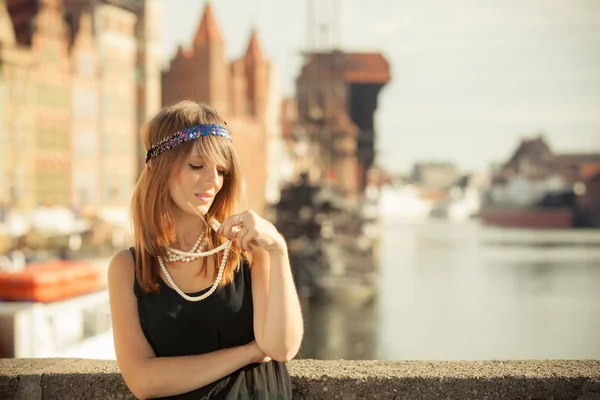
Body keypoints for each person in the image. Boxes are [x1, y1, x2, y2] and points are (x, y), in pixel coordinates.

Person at [107, 101, 304, 399]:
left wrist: (277, 248)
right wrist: (249, 352)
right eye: (197, 165)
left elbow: (281, 347)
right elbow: (143, 381)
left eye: (221, 170)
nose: (213, 181)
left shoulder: (250, 251)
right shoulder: (127, 267)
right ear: (159, 167)